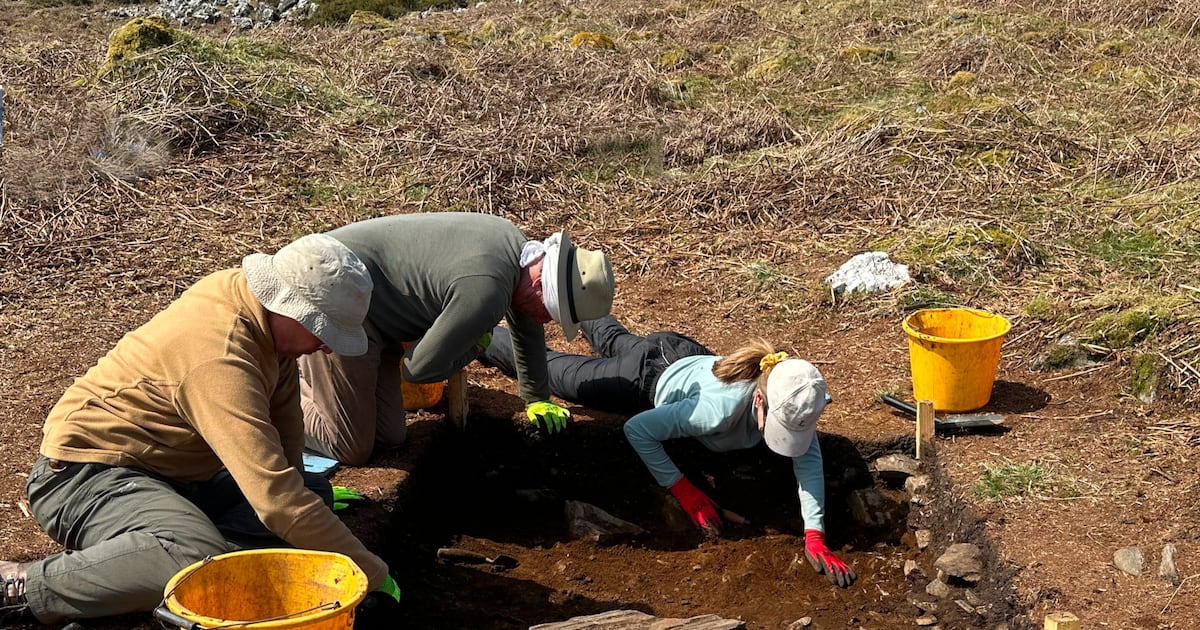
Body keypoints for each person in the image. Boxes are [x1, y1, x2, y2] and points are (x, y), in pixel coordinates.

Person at [0, 234, 400, 626]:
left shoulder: (257, 313)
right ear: (288, 308)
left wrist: (298, 492)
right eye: (323, 331)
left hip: (174, 474)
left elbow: (286, 429)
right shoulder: (219, 356)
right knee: (194, 557)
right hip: (86, 476)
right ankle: (23, 586)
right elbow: (276, 501)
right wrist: (373, 575)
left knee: (310, 492)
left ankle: (152, 554)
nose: (327, 348)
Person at [481, 315, 857, 588]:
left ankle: (584, 309)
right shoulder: (715, 413)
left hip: (680, 353)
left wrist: (815, 535)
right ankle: (478, 335)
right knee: (553, 371)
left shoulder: (793, 392)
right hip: (644, 376)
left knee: (613, 337)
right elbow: (638, 430)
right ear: (760, 399)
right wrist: (685, 492)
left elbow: (807, 458)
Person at [300, 212, 615, 465]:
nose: (545, 321)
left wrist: (537, 398)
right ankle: (274, 397)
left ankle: (311, 381)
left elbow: (527, 325)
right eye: (551, 313)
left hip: (376, 317)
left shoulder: (517, 251)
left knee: (389, 437)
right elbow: (417, 369)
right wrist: (478, 344)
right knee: (349, 447)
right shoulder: (487, 288)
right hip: (333, 291)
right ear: (539, 285)